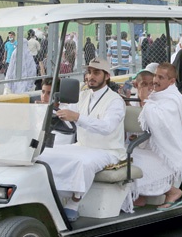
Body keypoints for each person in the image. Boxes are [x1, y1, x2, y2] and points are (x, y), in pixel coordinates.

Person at [38, 58, 127, 221]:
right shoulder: (83, 95)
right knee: (44, 155)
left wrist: (78, 117)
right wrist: (50, 110)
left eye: (96, 73)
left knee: (84, 163)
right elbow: (67, 112)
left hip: (108, 150)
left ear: (106, 76)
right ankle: (52, 197)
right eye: (89, 72)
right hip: (83, 145)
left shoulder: (115, 100)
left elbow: (107, 127)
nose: (90, 76)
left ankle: (73, 203)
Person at [130, 63, 182, 211]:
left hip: (168, 151)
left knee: (136, 160)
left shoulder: (173, 98)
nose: (155, 80)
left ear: (171, 81)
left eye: (161, 77)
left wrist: (144, 100)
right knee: (125, 155)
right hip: (152, 145)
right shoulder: (158, 94)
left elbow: (158, 122)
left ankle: (172, 192)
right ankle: (140, 195)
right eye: (156, 75)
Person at [35, 77, 76, 145]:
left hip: (60, 148)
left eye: (49, 93)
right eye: (43, 92)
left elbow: (61, 141)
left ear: (57, 95)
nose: (44, 97)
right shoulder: (41, 109)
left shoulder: (66, 111)